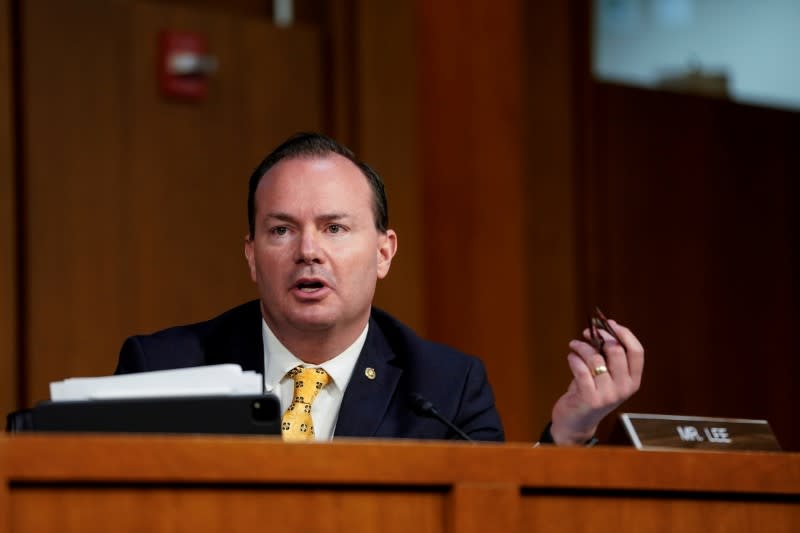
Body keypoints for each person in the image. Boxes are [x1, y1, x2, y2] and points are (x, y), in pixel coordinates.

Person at [115, 132, 644, 444]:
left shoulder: (445, 389)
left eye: (335, 228)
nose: (308, 251)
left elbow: (495, 514)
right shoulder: (164, 371)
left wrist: (569, 433)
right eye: (281, 230)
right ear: (252, 256)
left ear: (385, 252)